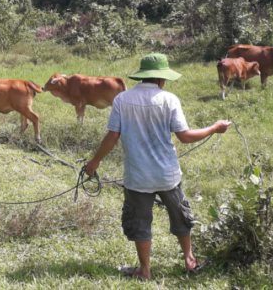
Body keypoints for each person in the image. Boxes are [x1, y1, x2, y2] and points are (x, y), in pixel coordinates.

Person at [85, 53, 231, 281]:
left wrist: (95, 161)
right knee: (180, 217)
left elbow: (113, 135)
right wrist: (214, 128)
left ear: (142, 76)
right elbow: (185, 136)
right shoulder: (169, 99)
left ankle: (144, 271)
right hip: (167, 175)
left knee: (140, 222)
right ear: (162, 79)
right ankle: (190, 261)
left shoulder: (122, 100)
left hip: (137, 177)